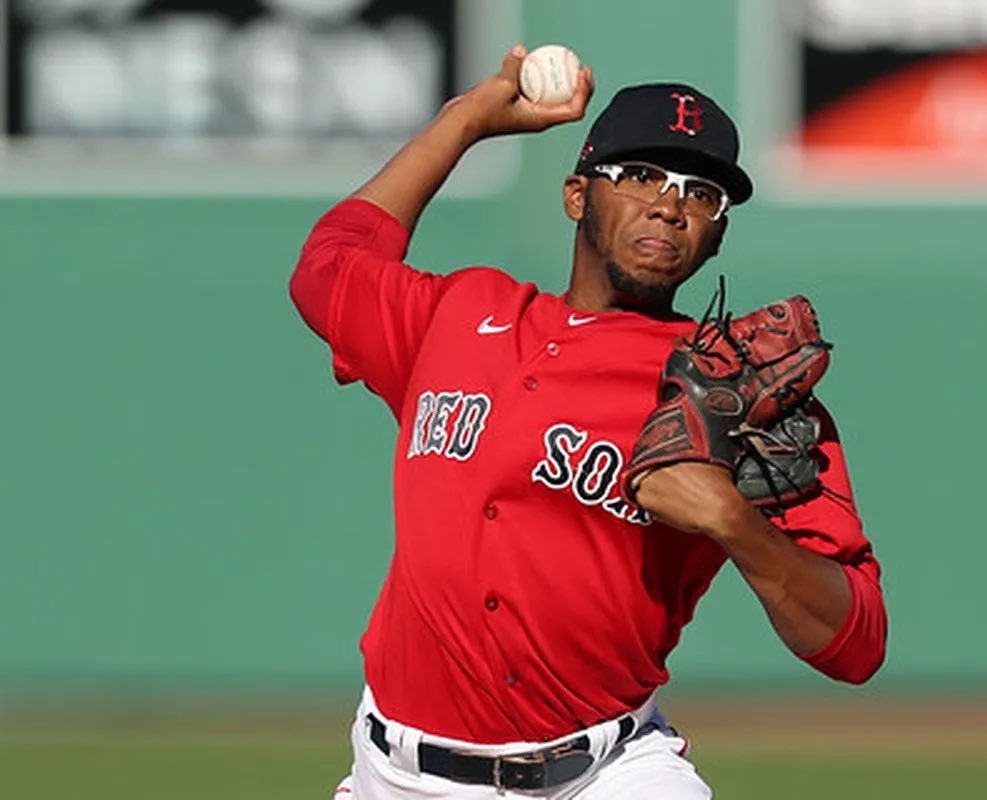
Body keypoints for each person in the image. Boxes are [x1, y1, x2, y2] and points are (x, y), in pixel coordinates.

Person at [290, 44, 887, 800]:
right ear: (577, 195)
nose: (669, 205)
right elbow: (329, 265)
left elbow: (856, 642)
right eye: (640, 176)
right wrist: (465, 120)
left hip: (603, 775)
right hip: (395, 775)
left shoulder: (737, 392)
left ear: (717, 233)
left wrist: (734, 522)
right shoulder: (460, 316)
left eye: (701, 193)